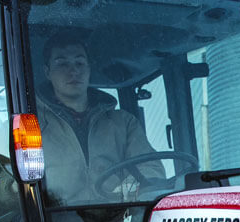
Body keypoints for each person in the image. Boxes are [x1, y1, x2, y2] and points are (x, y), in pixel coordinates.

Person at [37, 32, 164, 204]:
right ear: (47, 72)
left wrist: (132, 184)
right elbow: (9, 191)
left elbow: (151, 167)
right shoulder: (30, 128)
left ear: (89, 69)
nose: (73, 70)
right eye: (62, 63)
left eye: (80, 62)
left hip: (117, 221)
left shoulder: (123, 123)